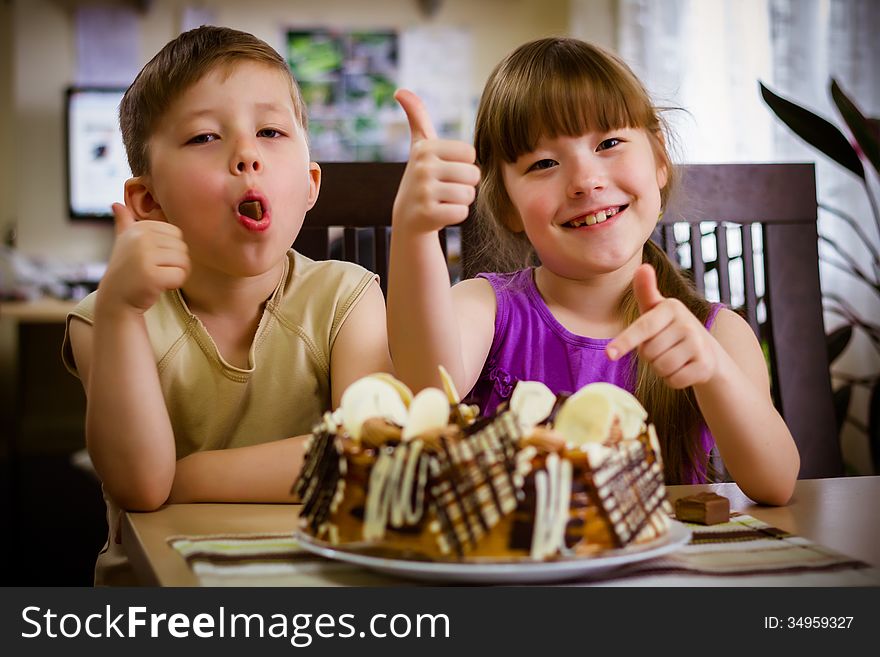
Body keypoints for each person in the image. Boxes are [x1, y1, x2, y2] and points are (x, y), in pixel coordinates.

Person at [387, 37, 799, 505]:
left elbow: (776, 483)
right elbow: (428, 388)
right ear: (506, 206)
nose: (585, 181)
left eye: (609, 143)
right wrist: (414, 233)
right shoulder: (485, 307)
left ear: (659, 159)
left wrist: (713, 371)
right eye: (543, 163)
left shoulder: (719, 332)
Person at [62, 26, 392, 584]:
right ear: (148, 201)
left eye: (269, 131)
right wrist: (120, 312)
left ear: (311, 184)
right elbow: (142, 485)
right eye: (204, 138)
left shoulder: (348, 295)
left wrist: (185, 478)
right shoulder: (109, 319)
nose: (246, 156)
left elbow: (365, 459)